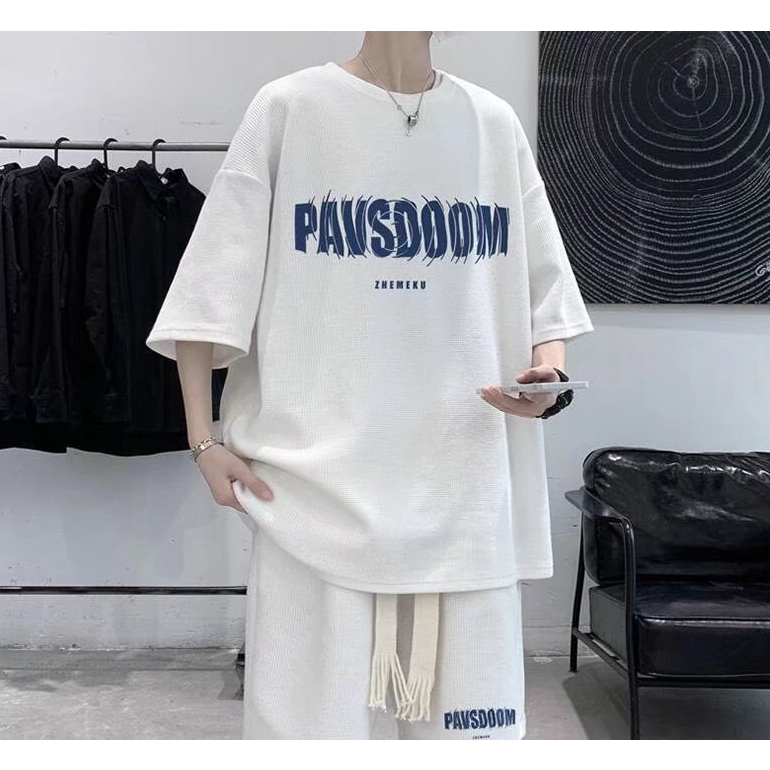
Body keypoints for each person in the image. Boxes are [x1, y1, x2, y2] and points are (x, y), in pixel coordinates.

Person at [146, 31, 594, 740]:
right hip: (311, 494)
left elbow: (547, 292)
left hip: (465, 492)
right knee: (305, 739)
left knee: (474, 741)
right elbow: (210, 286)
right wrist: (203, 441)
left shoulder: (492, 123)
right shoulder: (291, 108)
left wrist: (549, 375)